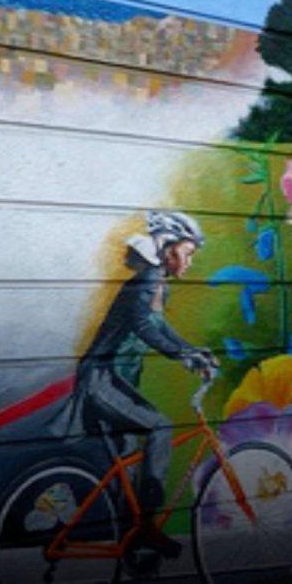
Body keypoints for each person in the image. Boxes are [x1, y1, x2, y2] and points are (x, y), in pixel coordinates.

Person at [53, 210, 217, 559]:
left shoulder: (158, 284)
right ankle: (146, 529)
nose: (188, 262)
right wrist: (180, 355)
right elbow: (144, 326)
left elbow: (159, 327)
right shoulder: (144, 283)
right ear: (167, 247)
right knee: (160, 427)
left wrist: (192, 350)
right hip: (101, 381)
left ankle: (133, 544)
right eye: (186, 253)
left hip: (117, 382)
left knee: (128, 469)